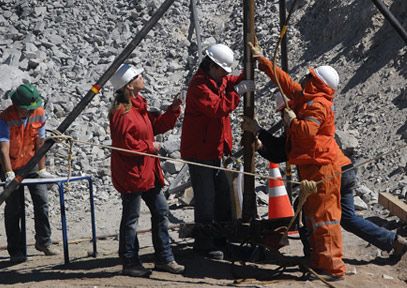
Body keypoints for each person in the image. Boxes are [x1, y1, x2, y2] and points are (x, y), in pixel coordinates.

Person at [246, 39, 346, 280]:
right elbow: (285, 82)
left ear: (317, 82)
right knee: (312, 219)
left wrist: (292, 120)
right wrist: (263, 62)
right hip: (312, 167)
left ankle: (333, 268)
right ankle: (319, 261)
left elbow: (305, 133)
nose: (304, 78)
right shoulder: (307, 97)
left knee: (324, 220)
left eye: (309, 77)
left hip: (323, 169)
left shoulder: (318, 105)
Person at [109, 63, 184, 277]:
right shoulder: (122, 113)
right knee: (131, 218)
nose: (143, 77)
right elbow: (126, 145)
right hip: (133, 173)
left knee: (161, 212)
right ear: (129, 85)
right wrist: (152, 146)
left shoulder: (138, 107)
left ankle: (165, 258)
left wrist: (173, 109)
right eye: (139, 76)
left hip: (148, 172)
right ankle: (130, 261)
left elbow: (155, 126)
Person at [180, 43, 254, 260]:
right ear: (212, 66)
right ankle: (204, 244)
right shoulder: (199, 86)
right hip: (200, 152)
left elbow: (229, 81)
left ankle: (222, 236)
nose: (225, 75)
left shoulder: (216, 79)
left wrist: (244, 76)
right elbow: (217, 108)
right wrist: (240, 91)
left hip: (213, 150)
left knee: (222, 195)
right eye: (223, 70)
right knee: (206, 199)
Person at [0, 83, 58, 263]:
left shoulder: (39, 113)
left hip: (31, 163)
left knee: (42, 202)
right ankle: (16, 250)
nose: (31, 111)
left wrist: (42, 169)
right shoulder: (5, 118)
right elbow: (3, 148)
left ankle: (44, 242)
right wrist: (9, 173)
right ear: (19, 106)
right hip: (11, 164)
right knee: (14, 209)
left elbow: (40, 143)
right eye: (28, 109)